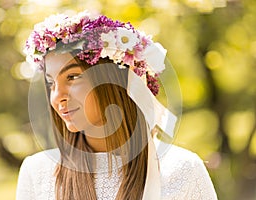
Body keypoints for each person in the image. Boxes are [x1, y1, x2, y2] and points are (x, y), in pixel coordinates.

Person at [16, 11, 218, 200]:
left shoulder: (182, 169)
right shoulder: (37, 171)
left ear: (113, 80)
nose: (57, 97)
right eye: (51, 83)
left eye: (73, 76)